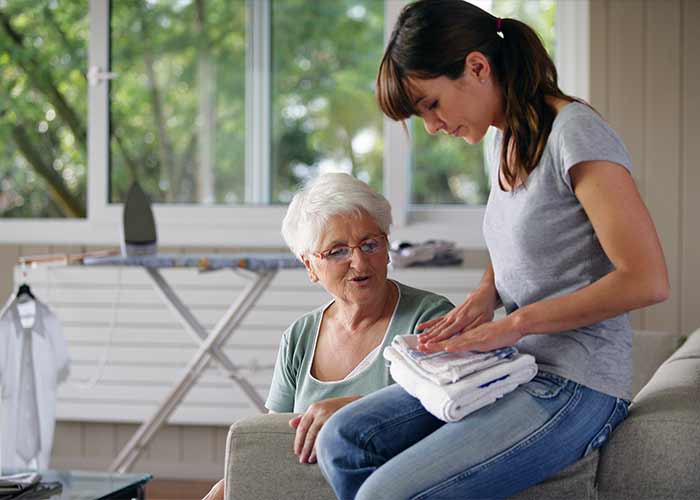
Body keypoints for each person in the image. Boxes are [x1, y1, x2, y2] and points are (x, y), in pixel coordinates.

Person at [315, 1, 670, 499]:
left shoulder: (576, 133)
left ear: (477, 67)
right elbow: (521, 240)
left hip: (577, 384)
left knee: (385, 495)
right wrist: (485, 297)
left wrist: (514, 323)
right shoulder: (499, 140)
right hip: (514, 364)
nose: (433, 126)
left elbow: (647, 278)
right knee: (344, 440)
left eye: (431, 104)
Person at [202, 172, 454, 500]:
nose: (360, 261)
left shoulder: (430, 319)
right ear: (309, 266)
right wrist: (230, 485)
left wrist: (355, 415)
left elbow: (449, 423)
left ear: (387, 248)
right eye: (337, 251)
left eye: (370, 244)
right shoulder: (299, 337)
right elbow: (275, 441)